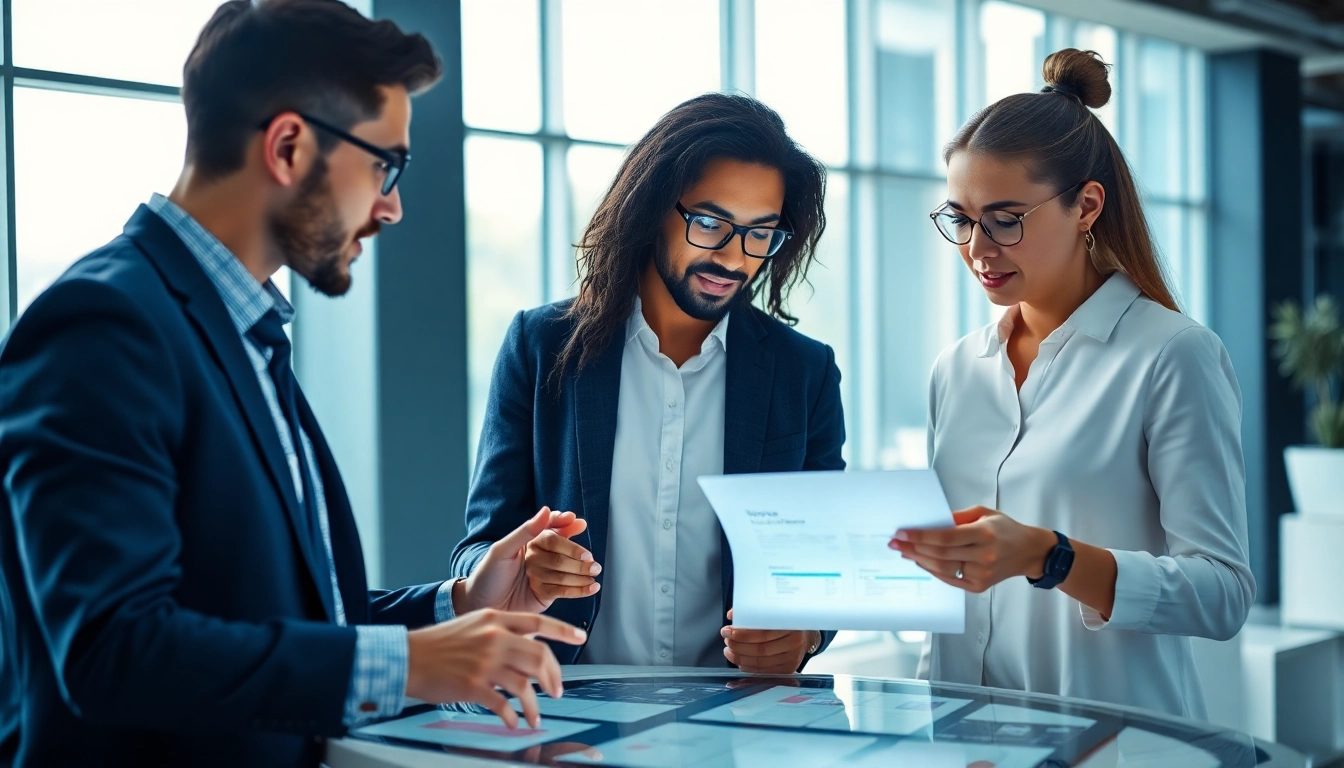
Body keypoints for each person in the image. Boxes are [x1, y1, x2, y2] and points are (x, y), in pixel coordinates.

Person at [0, 2, 585, 766]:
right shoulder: (103, 325)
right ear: (287, 147)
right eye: (384, 166)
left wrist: (461, 605)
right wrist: (411, 665)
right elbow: (114, 649)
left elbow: (282, 617)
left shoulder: (240, 330)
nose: (392, 206)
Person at [890, 49, 1254, 719]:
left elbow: (1222, 594)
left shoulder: (1173, 355)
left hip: (1117, 744)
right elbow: (950, 594)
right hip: (969, 741)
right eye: (961, 220)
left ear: (1086, 206)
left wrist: (1049, 556)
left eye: (1005, 219)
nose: (977, 249)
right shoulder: (957, 369)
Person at [451, 93, 844, 674]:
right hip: (565, 702)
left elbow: (822, 566)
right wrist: (523, 566)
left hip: (736, 710)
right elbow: (477, 551)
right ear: (653, 207)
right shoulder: (541, 345)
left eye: (759, 234)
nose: (733, 259)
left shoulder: (805, 372)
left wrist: (806, 634)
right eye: (709, 223)